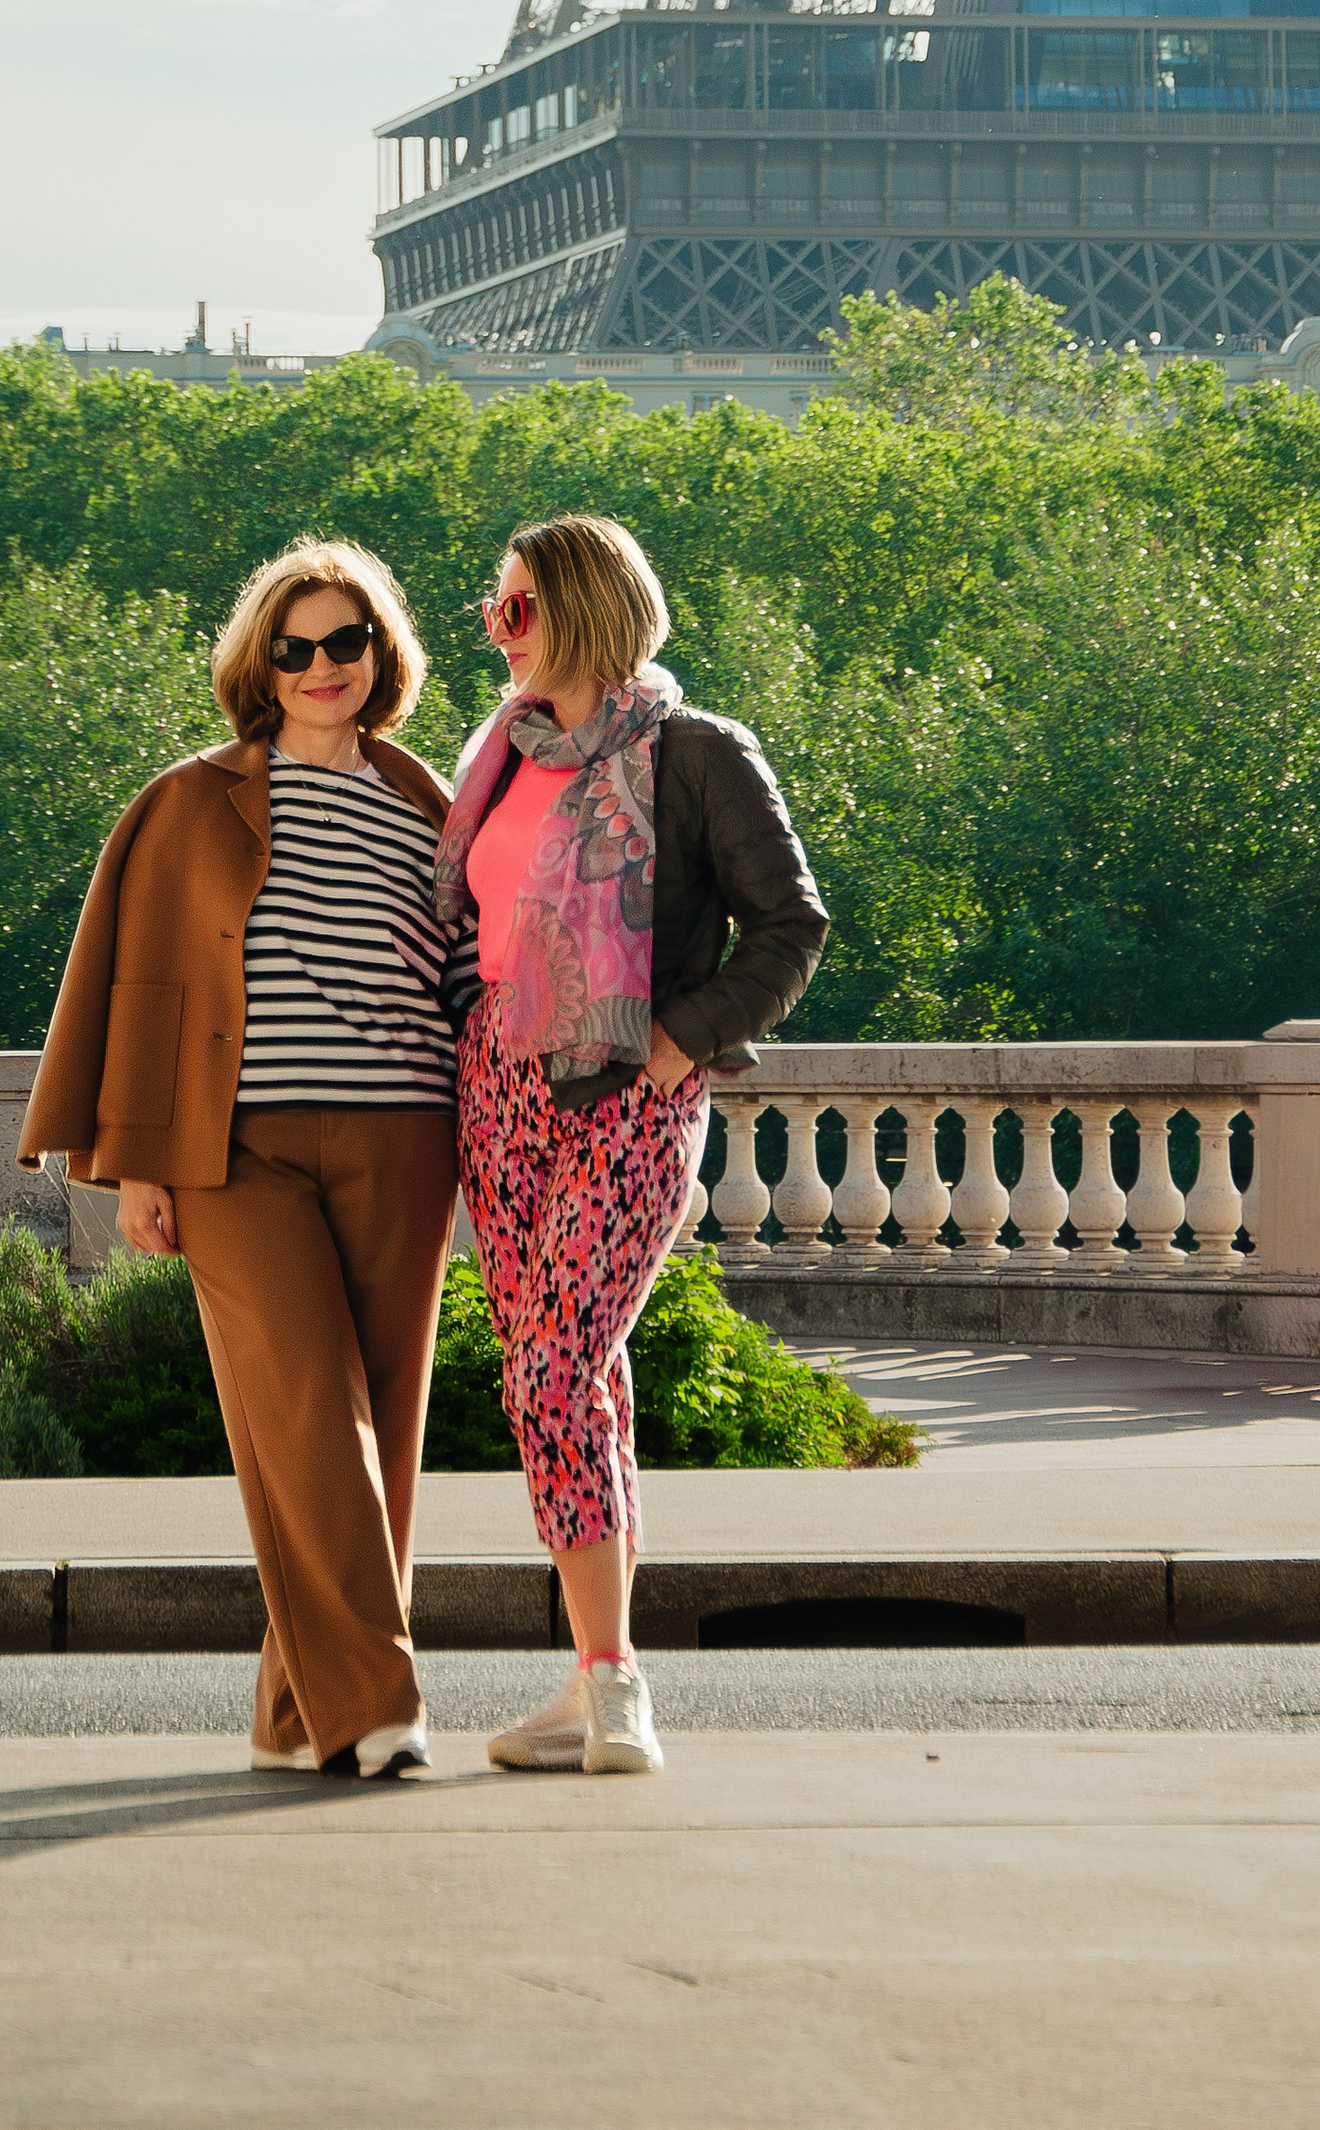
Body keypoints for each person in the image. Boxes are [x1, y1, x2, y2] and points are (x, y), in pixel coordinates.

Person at [18, 538, 465, 1781]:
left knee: (385, 1421)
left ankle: (291, 1713)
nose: (324, 666)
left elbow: (472, 973)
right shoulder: (190, 799)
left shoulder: (430, 802)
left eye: (347, 641)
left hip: (405, 1136)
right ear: (257, 665)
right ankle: (381, 1703)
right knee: (308, 1415)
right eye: (296, 647)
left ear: (383, 652)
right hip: (237, 1152)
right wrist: (136, 1167)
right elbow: (141, 986)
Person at [437, 511, 827, 1776]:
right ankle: (596, 1677)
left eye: (515, 608)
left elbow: (790, 928)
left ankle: (615, 1685)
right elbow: (458, 928)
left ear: (584, 611)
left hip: (627, 1089)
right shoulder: (497, 753)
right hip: (496, 1088)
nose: (495, 630)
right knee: (568, 1381)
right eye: (492, 608)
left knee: (555, 1369)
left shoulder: (700, 753)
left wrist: (674, 1046)